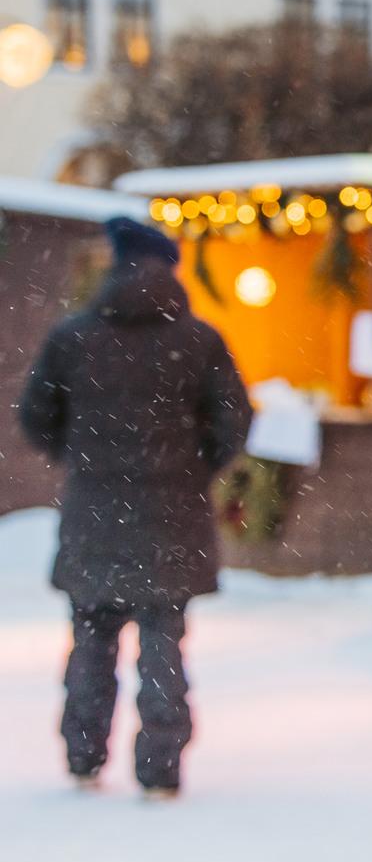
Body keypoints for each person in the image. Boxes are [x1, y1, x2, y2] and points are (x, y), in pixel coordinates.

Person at [19, 215, 250, 799]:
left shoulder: (74, 336)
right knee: (163, 644)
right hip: (171, 519)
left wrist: (82, 458)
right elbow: (233, 421)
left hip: (94, 516)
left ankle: (83, 758)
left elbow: (35, 416)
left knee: (92, 642)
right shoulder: (199, 339)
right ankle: (160, 769)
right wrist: (192, 466)